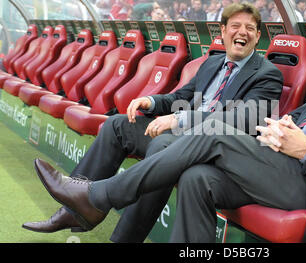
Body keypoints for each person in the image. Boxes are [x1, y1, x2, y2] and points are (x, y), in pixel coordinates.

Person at [34, 11, 306, 243]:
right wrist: (284, 128)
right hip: (276, 162)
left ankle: (97, 197)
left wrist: (302, 149)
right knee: (197, 177)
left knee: (215, 134)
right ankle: (91, 201)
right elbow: (301, 120)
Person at [22, 2, 283, 237]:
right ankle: (72, 209)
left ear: (258, 36)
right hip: (179, 135)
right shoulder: (212, 63)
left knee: (162, 145)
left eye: (250, 28)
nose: (242, 32)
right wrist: (153, 102)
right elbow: (183, 95)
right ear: (223, 31)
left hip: (215, 148)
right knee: (118, 125)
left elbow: (243, 120)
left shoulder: (267, 74)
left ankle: (122, 238)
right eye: (235, 26)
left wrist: (180, 119)